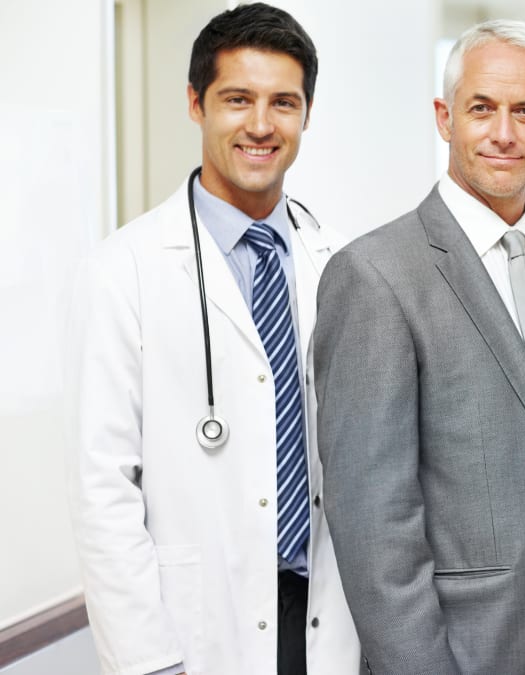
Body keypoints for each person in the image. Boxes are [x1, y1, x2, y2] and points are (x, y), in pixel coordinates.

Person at [312, 19, 525, 674]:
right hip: (460, 656)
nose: (504, 133)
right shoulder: (375, 276)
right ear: (444, 116)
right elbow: (375, 536)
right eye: (482, 108)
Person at [64, 4, 359, 673]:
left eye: (283, 102)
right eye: (237, 99)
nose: (261, 124)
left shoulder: (341, 263)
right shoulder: (122, 272)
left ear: (307, 114)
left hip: (324, 621)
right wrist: (147, 659)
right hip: (194, 630)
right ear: (196, 103)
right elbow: (102, 489)